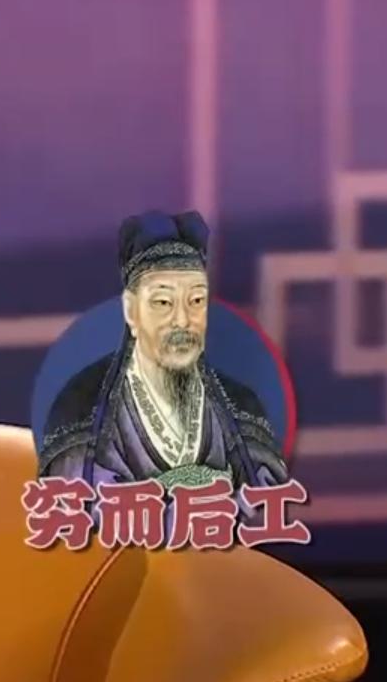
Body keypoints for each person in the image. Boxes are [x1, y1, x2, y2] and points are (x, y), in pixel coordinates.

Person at [36, 211, 289, 494]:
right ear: (131, 311)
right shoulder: (82, 408)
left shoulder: (241, 407)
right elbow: (75, 503)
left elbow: (267, 502)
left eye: (196, 300)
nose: (182, 320)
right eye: (163, 302)